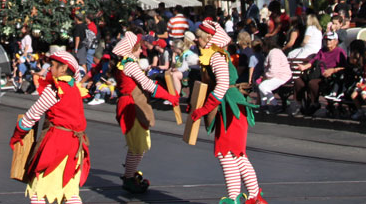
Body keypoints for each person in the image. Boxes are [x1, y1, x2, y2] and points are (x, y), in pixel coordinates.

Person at [190, 21, 267, 204]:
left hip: (230, 106)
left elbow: (223, 85)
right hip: (228, 105)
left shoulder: (216, 56)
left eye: (198, 37)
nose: (195, 39)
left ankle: (237, 198)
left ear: (209, 38)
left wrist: (204, 109)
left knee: (229, 154)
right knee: (234, 154)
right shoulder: (213, 54)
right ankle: (251, 197)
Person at [10, 51, 90, 204]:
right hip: (75, 146)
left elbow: (33, 114)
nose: (49, 69)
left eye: (53, 66)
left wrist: (17, 135)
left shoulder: (55, 89)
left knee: (39, 190)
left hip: (56, 144)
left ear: (63, 68)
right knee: (70, 191)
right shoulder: (75, 89)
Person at [108, 31, 179, 194]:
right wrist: (169, 96)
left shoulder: (125, 63)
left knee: (137, 145)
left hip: (129, 103)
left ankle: (130, 174)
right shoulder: (130, 65)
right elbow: (148, 85)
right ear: (132, 49)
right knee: (138, 146)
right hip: (132, 106)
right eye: (139, 48)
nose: (141, 51)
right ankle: (128, 178)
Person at [293, 32, 347, 116]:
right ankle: (299, 104)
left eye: (330, 40)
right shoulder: (322, 50)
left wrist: (333, 70)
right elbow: (313, 60)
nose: (328, 42)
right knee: (298, 81)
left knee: (313, 83)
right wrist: (304, 67)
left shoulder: (340, 51)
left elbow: (344, 67)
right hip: (316, 72)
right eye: (326, 40)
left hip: (328, 76)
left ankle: (315, 103)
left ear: (336, 41)